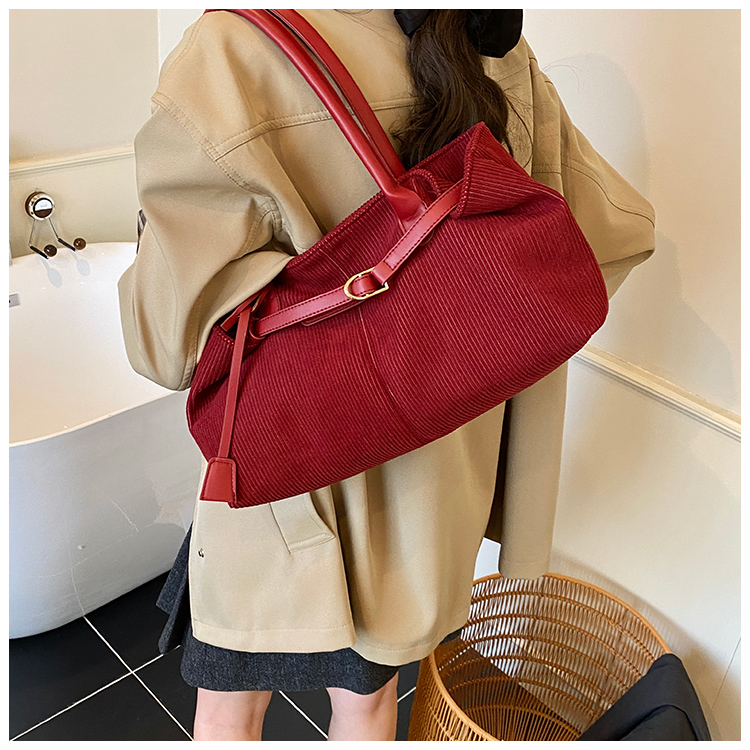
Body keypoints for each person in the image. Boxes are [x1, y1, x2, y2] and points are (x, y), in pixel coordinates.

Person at [117, 9, 656, 741]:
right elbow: (608, 236)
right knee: (369, 705)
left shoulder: (231, 54)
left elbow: (164, 345)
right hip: (431, 498)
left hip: (289, 480)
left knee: (230, 709)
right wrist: (449, 342)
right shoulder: (494, 47)